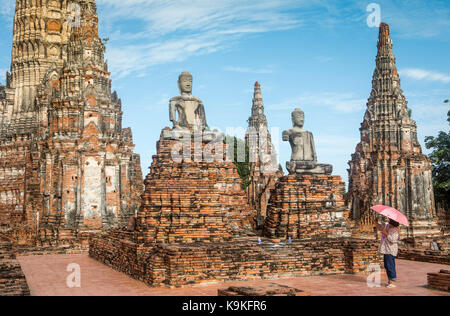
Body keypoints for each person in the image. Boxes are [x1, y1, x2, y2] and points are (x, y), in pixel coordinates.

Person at [373, 216, 400, 288]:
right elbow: (379, 227)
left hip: (391, 250)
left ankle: (393, 281)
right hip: (386, 249)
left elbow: (393, 240)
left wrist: (386, 233)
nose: (386, 218)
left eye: (388, 218)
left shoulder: (395, 230)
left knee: (390, 265)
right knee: (386, 265)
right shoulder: (386, 226)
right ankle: (389, 280)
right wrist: (375, 221)